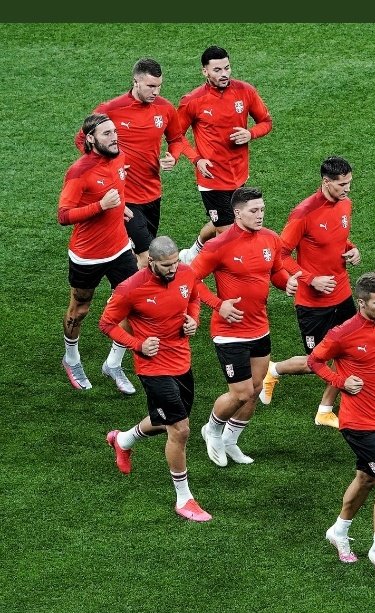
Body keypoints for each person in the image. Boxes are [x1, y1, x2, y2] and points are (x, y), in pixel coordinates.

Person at [99, 236, 212, 522]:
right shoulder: (130, 288)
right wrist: (137, 344)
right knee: (180, 429)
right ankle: (184, 499)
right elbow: (106, 323)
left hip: (181, 361)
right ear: (151, 262)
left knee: (166, 420)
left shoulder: (185, 273)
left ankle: (122, 440)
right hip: (152, 367)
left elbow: (194, 297)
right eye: (166, 265)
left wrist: (193, 320)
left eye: (174, 263)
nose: (173, 269)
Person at [310, 272, 375, 579]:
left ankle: (339, 530)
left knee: (366, 478)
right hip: (356, 422)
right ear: (361, 303)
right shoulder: (343, 333)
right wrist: (340, 381)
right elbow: (314, 361)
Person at [189, 187, 300, 467]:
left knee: (256, 388)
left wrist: (286, 282)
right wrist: (219, 305)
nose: (260, 215)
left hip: (259, 327)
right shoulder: (219, 245)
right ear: (237, 213)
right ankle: (212, 431)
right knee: (241, 393)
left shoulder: (270, 238)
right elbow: (189, 280)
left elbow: (275, 271)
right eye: (254, 210)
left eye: (262, 209)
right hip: (229, 332)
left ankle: (231, 441)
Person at [258, 156, 362, 429]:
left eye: (349, 183)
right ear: (326, 182)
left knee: (349, 352)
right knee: (317, 361)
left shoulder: (345, 204)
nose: (347, 189)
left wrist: (352, 249)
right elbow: (280, 255)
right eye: (342, 184)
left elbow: (337, 239)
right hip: (313, 303)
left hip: (342, 293)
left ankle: (324, 410)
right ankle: (274, 370)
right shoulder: (303, 213)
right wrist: (311, 279)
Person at [78, 58, 197, 268]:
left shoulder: (165, 108)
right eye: (150, 86)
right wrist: (106, 165)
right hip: (125, 195)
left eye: (159, 86)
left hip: (152, 193)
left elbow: (176, 138)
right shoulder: (111, 109)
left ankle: (122, 283)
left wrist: (173, 156)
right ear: (135, 82)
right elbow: (82, 140)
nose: (156, 92)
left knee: (135, 254)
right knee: (146, 254)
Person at [58, 113, 139, 394]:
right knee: (80, 309)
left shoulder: (118, 157)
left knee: (134, 306)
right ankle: (71, 359)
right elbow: (63, 215)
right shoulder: (79, 172)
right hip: (88, 255)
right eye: (107, 133)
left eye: (115, 131)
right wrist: (101, 206)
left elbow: (115, 190)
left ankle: (113, 364)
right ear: (91, 138)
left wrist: (121, 208)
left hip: (120, 248)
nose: (114, 137)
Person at [177, 46, 272, 263]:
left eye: (227, 68)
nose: (224, 74)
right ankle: (216, 271)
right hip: (212, 179)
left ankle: (192, 254)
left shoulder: (245, 91)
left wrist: (250, 133)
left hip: (239, 174)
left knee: (223, 220)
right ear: (205, 71)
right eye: (217, 70)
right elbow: (176, 135)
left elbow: (266, 122)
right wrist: (196, 159)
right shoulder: (193, 100)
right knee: (230, 234)